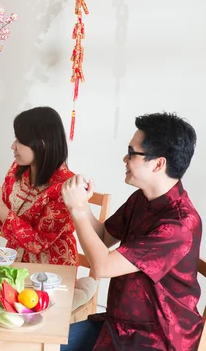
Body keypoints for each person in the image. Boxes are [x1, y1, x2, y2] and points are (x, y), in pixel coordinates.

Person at [61, 112, 202, 350]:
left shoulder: (179, 225)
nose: (125, 158)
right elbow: (104, 238)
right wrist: (83, 207)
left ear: (159, 163)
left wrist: (76, 210)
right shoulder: (142, 199)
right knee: (45, 343)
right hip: (119, 325)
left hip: (155, 338)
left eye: (132, 152)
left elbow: (102, 266)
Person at [0, 106, 78, 266]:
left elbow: (37, 243)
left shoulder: (67, 187)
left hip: (52, 270)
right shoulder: (17, 170)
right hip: (14, 259)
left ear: (42, 144)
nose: (13, 146)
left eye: (19, 140)